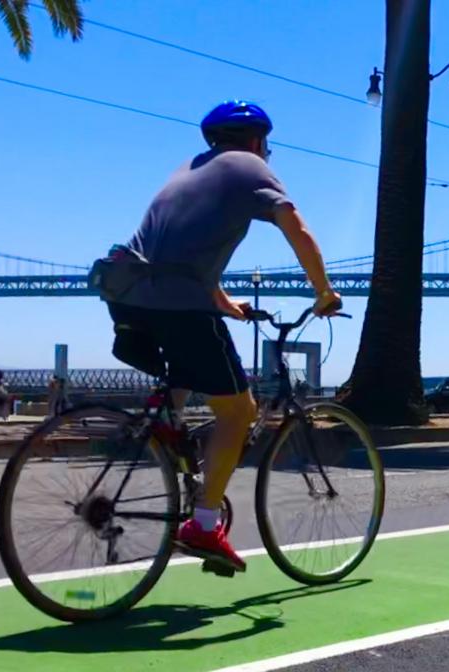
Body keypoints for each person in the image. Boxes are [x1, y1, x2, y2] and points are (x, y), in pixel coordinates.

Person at [106, 100, 342, 572]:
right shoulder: (250, 167)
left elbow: (178, 250)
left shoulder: (189, 168)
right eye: (266, 145)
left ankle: (167, 427)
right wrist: (324, 290)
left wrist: (224, 302)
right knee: (239, 412)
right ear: (257, 140)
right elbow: (296, 227)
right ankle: (204, 524)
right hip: (180, 305)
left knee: (187, 364)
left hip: (127, 296)